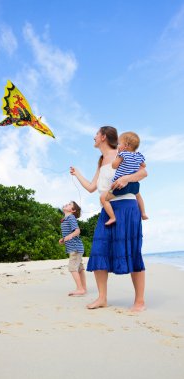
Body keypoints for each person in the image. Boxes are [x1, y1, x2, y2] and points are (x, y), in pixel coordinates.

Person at [70, 126, 147, 311]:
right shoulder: (101, 160)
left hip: (127, 207)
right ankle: (102, 298)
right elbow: (91, 187)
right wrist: (77, 173)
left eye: (96, 134)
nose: (94, 137)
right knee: (99, 250)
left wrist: (127, 178)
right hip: (107, 207)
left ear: (103, 136)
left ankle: (139, 301)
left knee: (133, 251)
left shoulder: (122, 152)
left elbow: (143, 173)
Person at [100, 131, 148, 225]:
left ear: (125, 146)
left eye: (119, 144)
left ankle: (112, 217)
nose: (117, 146)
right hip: (134, 184)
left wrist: (118, 156)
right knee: (138, 196)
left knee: (103, 198)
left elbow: (114, 166)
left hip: (120, 185)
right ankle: (143, 213)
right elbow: (144, 165)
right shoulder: (139, 156)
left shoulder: (123, 155)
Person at [59, 201, 87, 296]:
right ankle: (83, 288)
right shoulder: (66, 219)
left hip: (75, 248)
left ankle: (80, 289)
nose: (67, 204)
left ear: (73, 210)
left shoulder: (71, 217)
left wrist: (67, 237)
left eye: (70, 204)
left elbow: (77, 231)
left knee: (72, 268)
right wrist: (63, 239)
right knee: (79, 268)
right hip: (76, 247)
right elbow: (69, 233)